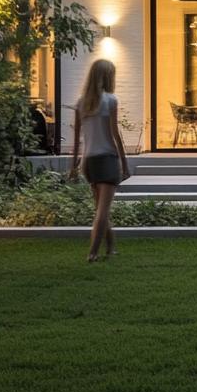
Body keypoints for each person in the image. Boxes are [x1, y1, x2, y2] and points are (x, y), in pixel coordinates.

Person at [68, 59, 129, 262]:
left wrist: (74, 166)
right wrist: (125, 163)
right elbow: (115, 135)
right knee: (103, 210)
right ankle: (93, 252)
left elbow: (77, 140)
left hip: (89, 162)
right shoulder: (111, 100)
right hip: (107, 159)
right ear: (107, 76)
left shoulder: (80, 102)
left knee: (100, 209)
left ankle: (110, 247)